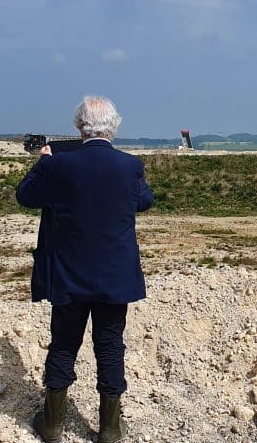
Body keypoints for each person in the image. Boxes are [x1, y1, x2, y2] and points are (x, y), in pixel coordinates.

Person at [17, 96, 154, 443]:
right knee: (110, 346)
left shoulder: (58, 167)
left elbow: (25, 196)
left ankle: (52, 425)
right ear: (114, 126)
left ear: (79, 127)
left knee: (64, 345)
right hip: (115, 275)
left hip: (68, 274)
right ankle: (109, 429)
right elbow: (144, 201)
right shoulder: (131, 165)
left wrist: (43, 163)